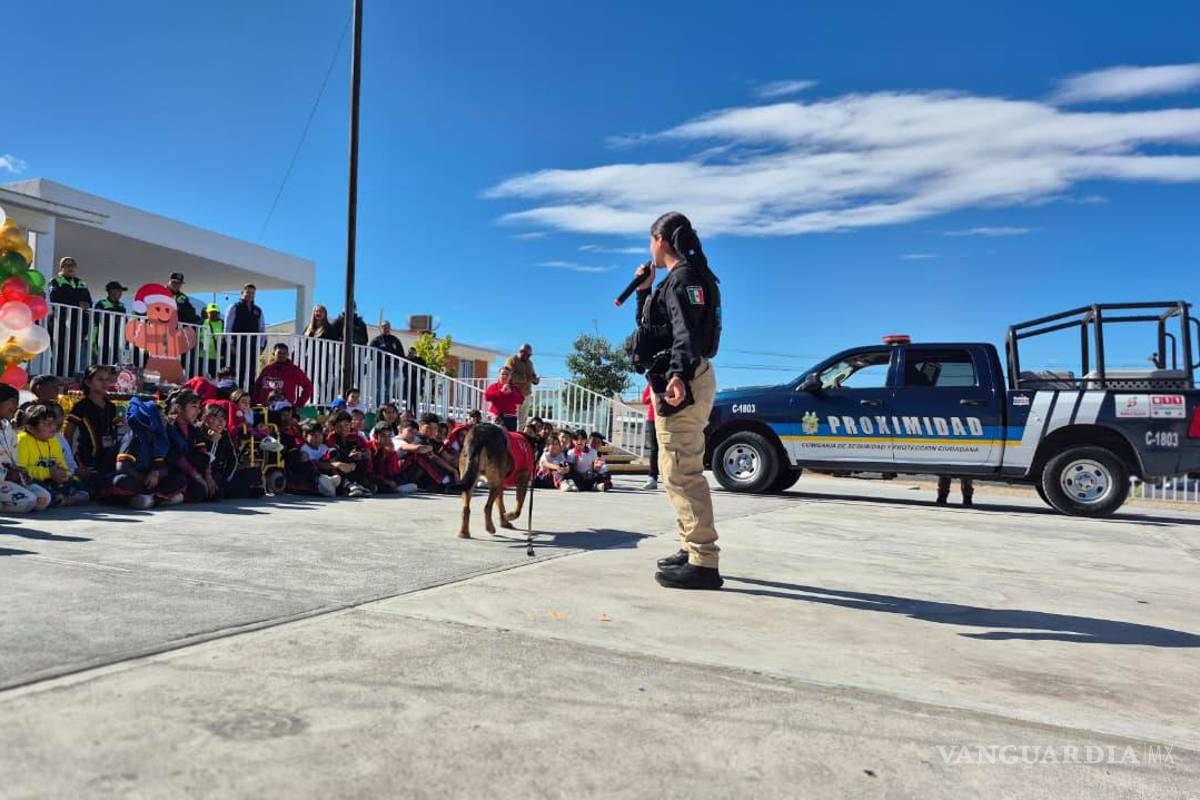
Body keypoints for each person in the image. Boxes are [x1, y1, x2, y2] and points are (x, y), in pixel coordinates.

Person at [631, 211, 723, 590]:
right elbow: (654, 331)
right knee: (674, 469)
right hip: (684, 376)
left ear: (661, 239)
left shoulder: (684, 278)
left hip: (683, 379)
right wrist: (643, 292)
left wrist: (678, 375)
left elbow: (685, 333)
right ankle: (690, 546)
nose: (649, 247)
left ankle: (703, 561)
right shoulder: (688, 277)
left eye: (650, 240)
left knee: (682, 471)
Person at [113, 396, 184, 508]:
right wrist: (144, 478)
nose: (165, 419)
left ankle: (150, 498)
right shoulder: (134, 436)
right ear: (151, 418)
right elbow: (122, 467)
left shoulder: (159, 440)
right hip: (135, 478)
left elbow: (162, 466)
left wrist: (156, 473)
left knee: (179, 479)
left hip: (149, 481)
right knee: (120, 481)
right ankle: (156, 498)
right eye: (161, 417)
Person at [17, 402, 90, 507]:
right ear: (30, 428)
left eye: (53, 423)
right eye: (47, 424)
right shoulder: (22, 440)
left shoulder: (54, 440)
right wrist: (48, 472)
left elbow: (62, 464)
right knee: (42, 492)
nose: (53, 427)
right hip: (35, 480)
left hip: (53, 480)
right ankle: (62, 499)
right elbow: (22, 472)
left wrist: (64, 474)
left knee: (77, 483)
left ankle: (63, 498)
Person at [63, 365, 121, 493]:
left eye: (107, 379)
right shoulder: (81, 406)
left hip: (107, 455)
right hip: (87, 456)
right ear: (88, 382)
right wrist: (69, 460)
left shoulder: (111, 406)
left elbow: (113, 429)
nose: (105, 383)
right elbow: (68, 433)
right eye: (100, 379)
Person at [0, 384, 51, 512]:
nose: (15, 406)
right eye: (11, 402)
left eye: (16, 402)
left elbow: (14, 457)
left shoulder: (7, 428)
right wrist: (6, 475)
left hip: (9, 479)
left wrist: (19, 472)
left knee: (43, 498)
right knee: (27, 501)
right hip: (2, 478)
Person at [48, 257, 93, 376]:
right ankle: (58, 377)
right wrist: (77, 303)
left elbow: (88, 302)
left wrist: (84, 305)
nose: (70, 268)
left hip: (77, 323)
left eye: (73, 265)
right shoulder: (56, 281)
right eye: (67, 265)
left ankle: (70, 378)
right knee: (60, 352)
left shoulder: (81, 283)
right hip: (60, 322)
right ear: (61, 268)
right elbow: (56, 298)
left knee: (74, 352)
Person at [225, 284, 265, 386]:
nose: (250, 295)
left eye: (252, 293)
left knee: (251, 373)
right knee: (236, 372)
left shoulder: (258, 310)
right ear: (242, 293)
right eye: (248, 292)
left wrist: (260, 347)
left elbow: (262, 329)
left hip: (252, 346)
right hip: (237, 346)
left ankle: (249, 398)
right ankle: (235, 397)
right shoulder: (234, 307)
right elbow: (228, 327)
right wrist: (230, 344)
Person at [252, 343, 313, 409]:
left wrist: (299, 404)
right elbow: (257, 386)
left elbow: (308, 387)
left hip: (284, 410)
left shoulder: (294, 370)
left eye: (284, 353)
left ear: (288, 355)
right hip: (265, 409)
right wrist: (256, 401)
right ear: (274, 353)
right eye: (279, 353)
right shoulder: (267, 369)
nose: (282, 355)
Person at [293, 421, 343, 497]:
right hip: (311, 478)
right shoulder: (304, 449)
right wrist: (335, 465)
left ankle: (331, 480)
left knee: (333, 451)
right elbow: (316, 464)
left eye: (320, 435)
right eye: (314, 436)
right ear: (305, 437)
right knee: (306, 460)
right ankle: (324, 483)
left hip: (324, 473)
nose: (317, 438)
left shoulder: (324, 447)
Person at [504, 343, 540, 428]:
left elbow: (532, 375)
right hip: (514, 394)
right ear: (521, 351)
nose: (529, 357)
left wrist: (535, 380)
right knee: (511, 419)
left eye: (530, 355)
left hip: (526, 394)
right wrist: (527, 378)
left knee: (523, 421)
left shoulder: (530, 363)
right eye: (527, 354)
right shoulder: (511, 360)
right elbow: (509, 375)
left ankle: (519, 438)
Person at [92, 281, 128, 366]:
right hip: (103, 335)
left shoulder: (122, 306)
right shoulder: (101, 303)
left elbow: (124, 320)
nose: (120, 293)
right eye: (119, 291)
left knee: (115, 359)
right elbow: (97, 318)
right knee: (102, 358)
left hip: (117, 337)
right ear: (112, 291)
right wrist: (112, 320)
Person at [370, 321, 405, 405]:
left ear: (390, 328)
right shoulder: (376, 340)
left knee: (389, 389)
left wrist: (396, 364)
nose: (385, 328)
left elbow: (401, 354)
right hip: (380, 368)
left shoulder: (395, 340)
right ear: (380, 328)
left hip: (392, 369)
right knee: (379, 388)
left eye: (387, 327)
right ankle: (378, 407)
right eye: (383, 327)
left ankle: (387, 406)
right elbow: (371, 353)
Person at [484, 366, 524, 432]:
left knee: (510, 438)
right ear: (499, 375)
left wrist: (511, 393)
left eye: (507, 374)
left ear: (510, 377)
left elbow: (520, 400)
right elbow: (487, 397)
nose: (505, 376)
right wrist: (501, 391)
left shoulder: (514, 388)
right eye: (503, 374)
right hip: (496, 417)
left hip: (510, 418)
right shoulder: (494, 386)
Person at [198, 303, 225, 378]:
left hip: (219, 357)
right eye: (211, 312)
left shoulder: (223, 324)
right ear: (207, 313)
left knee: (217, 378)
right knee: (203, 378)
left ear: (219, 313)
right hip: (203, 356)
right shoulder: (201, 323)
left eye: (215, 312)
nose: (213, 314)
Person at [640, 382, 659, 490]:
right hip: (653, 418)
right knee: (654, 449)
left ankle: (672, 479)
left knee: (668, 448)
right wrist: (654, 395)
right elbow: (644, 400)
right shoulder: (652, 382)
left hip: (668, 418)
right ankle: (652, 478)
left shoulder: (671, 379)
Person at [404, 346, 427, 412]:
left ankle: (416, 416)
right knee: (408, 401)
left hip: (418, 383)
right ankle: (408, 415)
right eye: (410, 352)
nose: (411, 354)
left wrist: (423, 375)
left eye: (413, 353)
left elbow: (424, 369)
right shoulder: (405, 359)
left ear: (415, 353)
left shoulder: (420, 360)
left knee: (416, 401)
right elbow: (403, 370)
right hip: (408, 382)